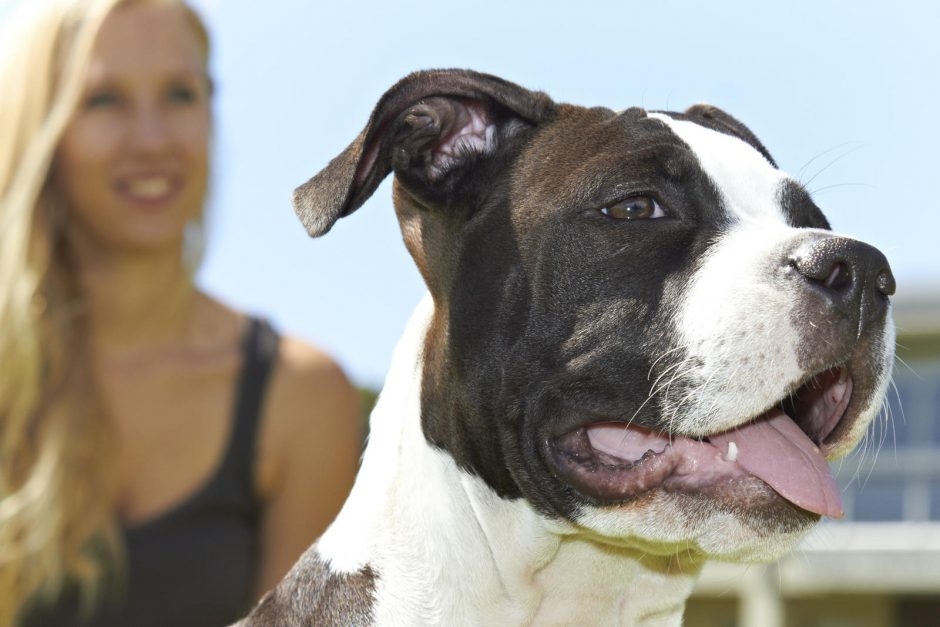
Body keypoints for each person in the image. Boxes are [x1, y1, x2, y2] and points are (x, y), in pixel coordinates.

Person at [0, 0, 362, 625]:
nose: (153, 139)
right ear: (42, 126)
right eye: (104, 100)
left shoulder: (302, 399)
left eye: (179, 94)